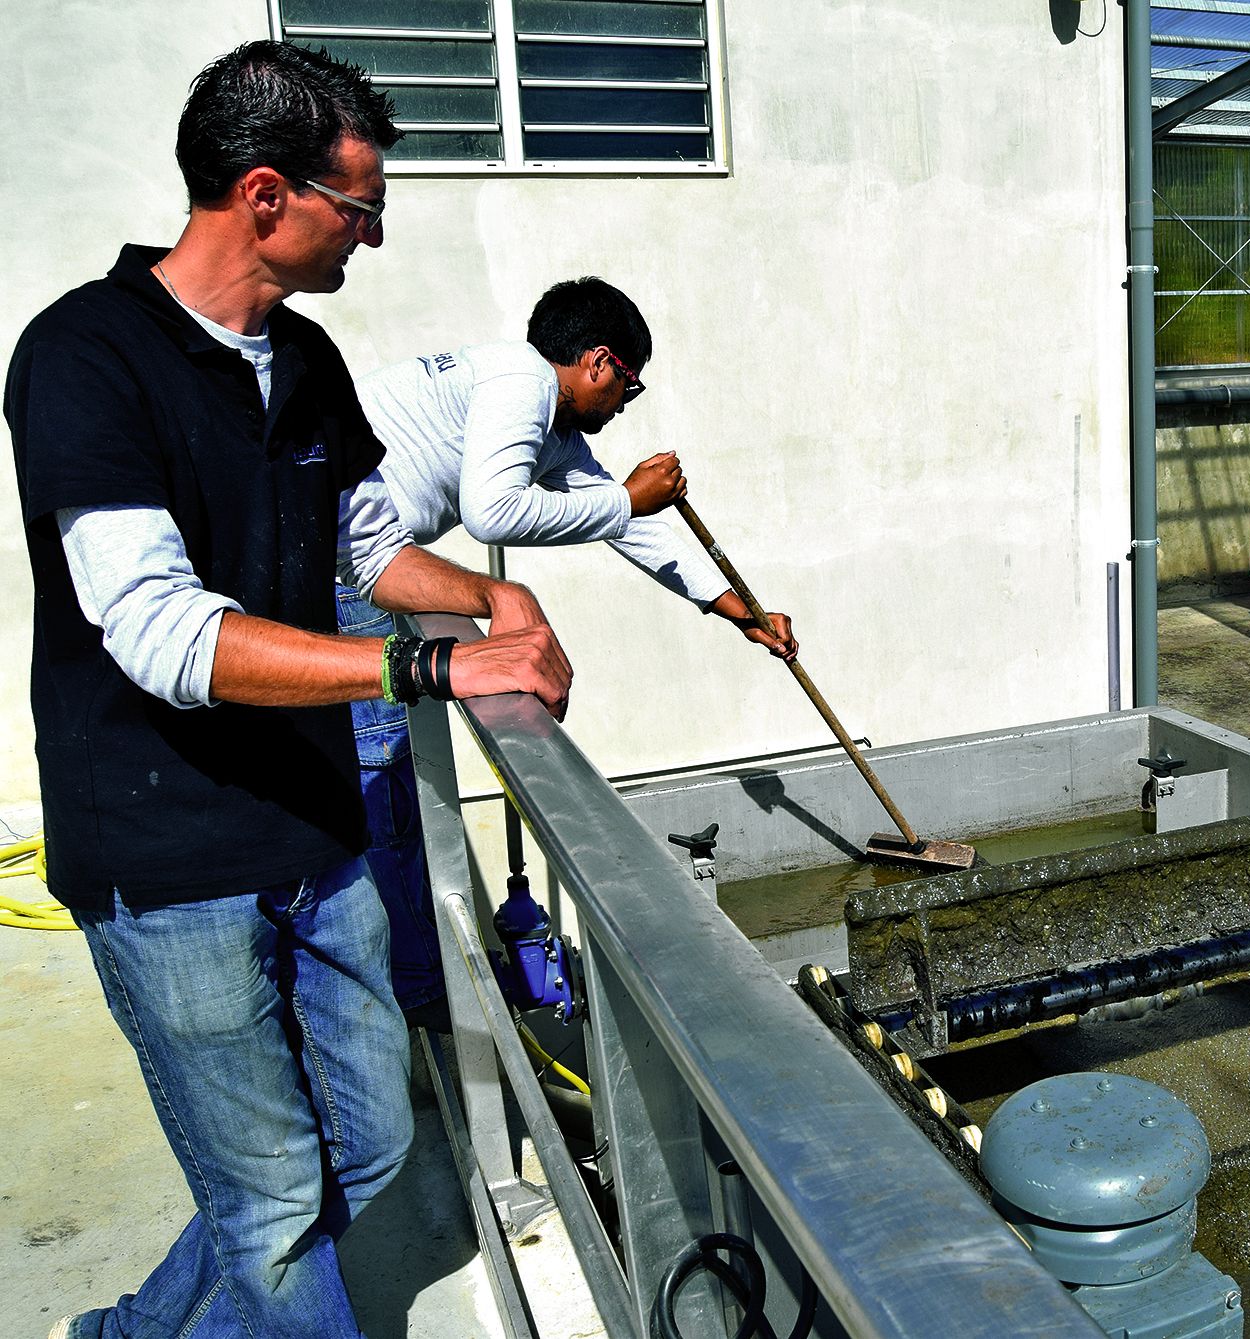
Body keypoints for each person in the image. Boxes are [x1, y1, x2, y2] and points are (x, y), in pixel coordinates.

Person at [6, 42, 572, 1339]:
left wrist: (494, 600)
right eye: (361, 207)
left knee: (364, 1147)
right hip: (167, 862)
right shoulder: (84, 356)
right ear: (268, 196)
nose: (372, 237)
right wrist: (427, 662)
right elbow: (165, 634)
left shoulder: (304, 358)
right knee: (269, 1207)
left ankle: (127, 1334)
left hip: (314, 833)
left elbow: (371, 549)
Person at [341, 276, 798, 1020]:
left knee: (387, 785)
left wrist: (731, 607)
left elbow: (628, 527)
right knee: (385, 784)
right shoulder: (520, 380)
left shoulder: (551, 427)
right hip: (347, 573)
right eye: (629, 387)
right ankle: (420, 988)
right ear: (599, 362)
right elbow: (493, 512)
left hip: (368, 570)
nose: (621, 407)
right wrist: (627, 496)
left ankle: (416, 975)